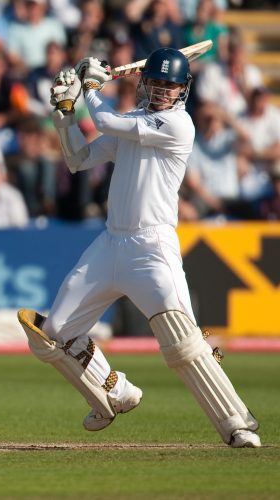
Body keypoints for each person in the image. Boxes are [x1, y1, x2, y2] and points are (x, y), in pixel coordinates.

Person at [17, 48, 261, 448]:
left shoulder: (179, 124)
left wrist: (90, 88)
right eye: (158, 84)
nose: (163, 92)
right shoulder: (130, 123)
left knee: (182, 342)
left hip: (153, 246)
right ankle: (114, 390)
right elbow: (78, 159)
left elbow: (105, 119)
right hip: (111, 243)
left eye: (171, 86)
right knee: (53, 334)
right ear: (145, 83)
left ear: (183, 90)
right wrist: (64, 113)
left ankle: (236, 423)